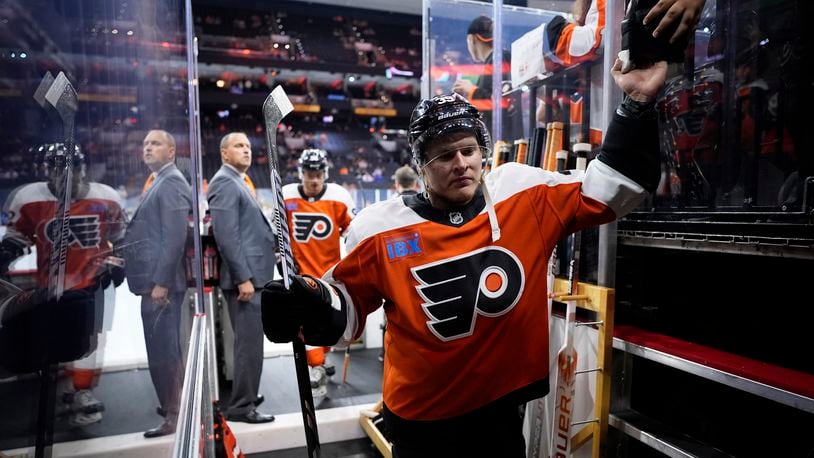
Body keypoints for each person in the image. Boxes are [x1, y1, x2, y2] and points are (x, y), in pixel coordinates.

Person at [262, 53, 668, 454]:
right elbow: (345, 312)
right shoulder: (380, 228)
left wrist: (636, 105)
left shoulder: (520, 192)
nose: (461, 164)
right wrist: (308, 303)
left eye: (469, 150)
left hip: (502, 408)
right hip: (423, 421)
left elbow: (611, 190)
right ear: (421, 164)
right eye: (443, 155)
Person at [0, 143, 125, 427]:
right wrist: (6, 254)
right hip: (51, 286)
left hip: (93, 283)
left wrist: (117, 263)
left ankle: (82, 392)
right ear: (46, 170)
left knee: (91, 341)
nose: (65, 174)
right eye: (56, 168)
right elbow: (17, 237)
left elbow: (122, 239)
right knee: (55, 341)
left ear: (83, 168)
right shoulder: (28, 199)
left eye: (72, 167)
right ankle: (63, 390)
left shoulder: (106, 198)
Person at [121, 129, 191, 438]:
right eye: (145, 143)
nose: (147, 148)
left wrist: (161, 282)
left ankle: (174, 417)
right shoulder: (160, 181)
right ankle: (172, 413)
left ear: (171, 151)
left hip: (160, 287)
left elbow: (174, 237)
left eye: (155, 143)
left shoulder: (172, 181)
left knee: (164, 354)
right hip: (152, 284)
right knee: (161, 352)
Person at [207, 132, 275, 424]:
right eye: (239, 146)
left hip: (253, 277)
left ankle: (247, 395)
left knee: (251, 345)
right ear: (224, 153)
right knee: (248, 347)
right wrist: (242, 277)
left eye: (248, 146)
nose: (246, 151)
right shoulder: (224, 182)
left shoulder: (237, 181)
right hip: (246, 281)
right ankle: (241, 407)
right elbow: (226, 236)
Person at [282, 148, 355, 398]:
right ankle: (316, 369)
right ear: (301, 173)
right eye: (309, 174)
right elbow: (278, 233)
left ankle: (321, 360)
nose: (313, 180)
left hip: (330, 275)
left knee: (329, 322)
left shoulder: (339, 197)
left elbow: (352, 231)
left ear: (324, 174)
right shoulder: (287, 195)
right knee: (306, 324)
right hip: (301, 276)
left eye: (318, 174)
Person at [452, 15, 522, 142]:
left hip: (504, 142)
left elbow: (503, 99)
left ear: (472, 39)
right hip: (499, 141)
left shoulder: (499, 58)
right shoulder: (495, 60)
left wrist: (472, 90)